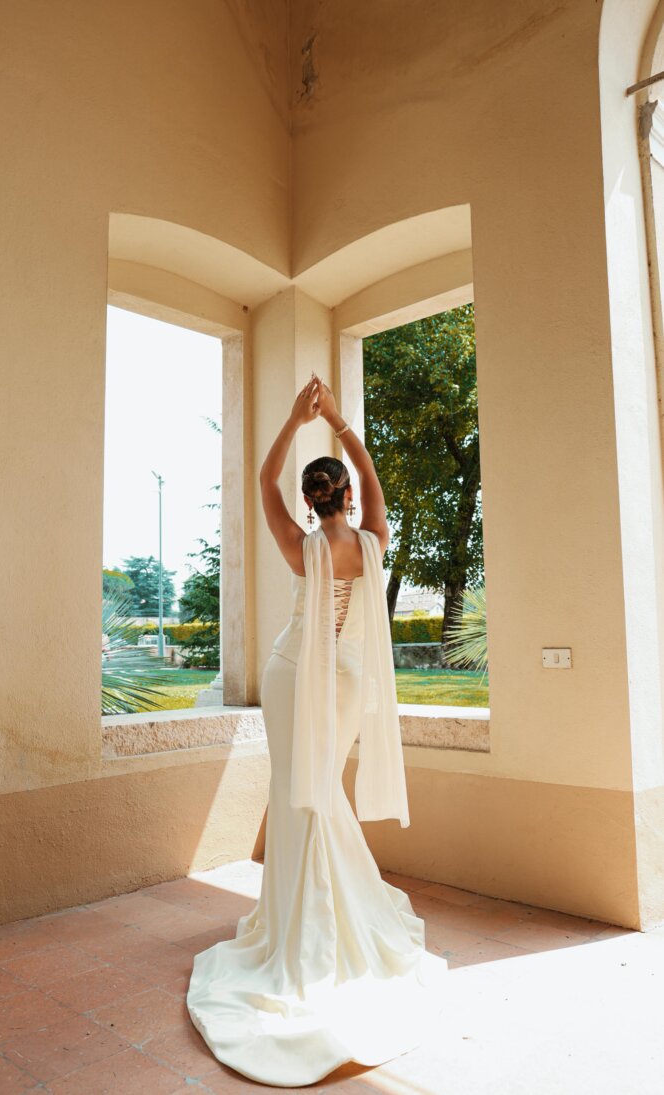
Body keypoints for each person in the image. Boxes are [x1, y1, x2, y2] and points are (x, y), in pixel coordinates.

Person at [186, 375, 449, 1086]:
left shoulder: (297, 542)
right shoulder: (371, 541)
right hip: (345, 678)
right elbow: (366, 470)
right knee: (319, 787)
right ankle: (328, 917)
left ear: (310, 499)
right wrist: (335, 418)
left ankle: (303, 924)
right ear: (347, 497)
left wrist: (295, 419)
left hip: (293, 672)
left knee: (297, 788)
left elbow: (263, 476)